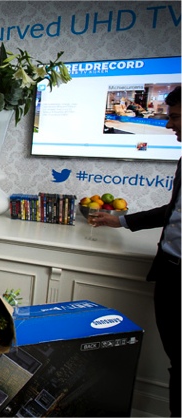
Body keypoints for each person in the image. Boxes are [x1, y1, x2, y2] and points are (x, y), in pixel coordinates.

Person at [92, 86, 182, 417]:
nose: (169, 125)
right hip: (170, 272)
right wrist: (122, 220)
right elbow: (174, 212)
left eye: (175, 117)